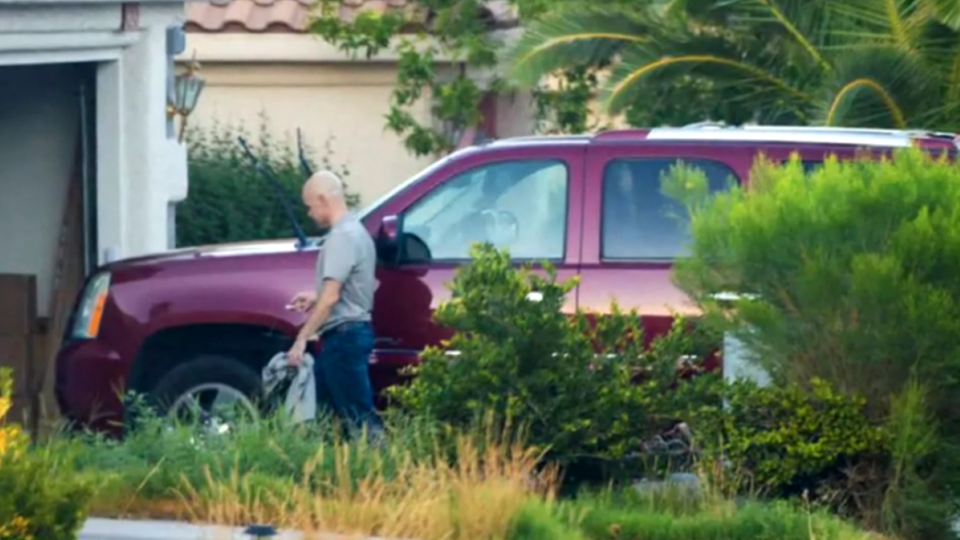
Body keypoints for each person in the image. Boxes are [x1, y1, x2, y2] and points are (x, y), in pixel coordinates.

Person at [286, 170, 382, 438]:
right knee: (328, 418)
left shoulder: (341, 237)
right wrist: (317, 295)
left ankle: (384, 470)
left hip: (344, 337)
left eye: (309, 206)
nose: (309, 213)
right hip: (351, 335)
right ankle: (339, 471)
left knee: (359, 418)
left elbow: (331, 297)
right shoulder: (358, 232)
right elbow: (353, 286)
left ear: (322, 199)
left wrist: (302, 338)